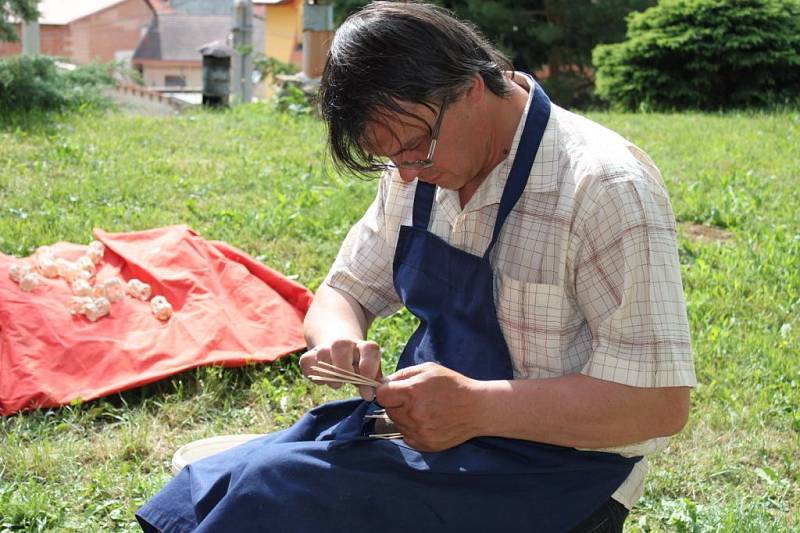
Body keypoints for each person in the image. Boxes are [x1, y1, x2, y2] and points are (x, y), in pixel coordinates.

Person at [136, 3, 695, 532]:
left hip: (558, 469)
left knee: (275, 490)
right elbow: (342, 292)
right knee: (216, 483)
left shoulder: (604, 187)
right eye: (391, 159)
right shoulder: (421, 159)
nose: (404, 175)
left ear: (473, 89)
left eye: (413, 151)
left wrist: (478, 408)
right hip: (435, 435)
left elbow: (658, 404)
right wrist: (338, 340)